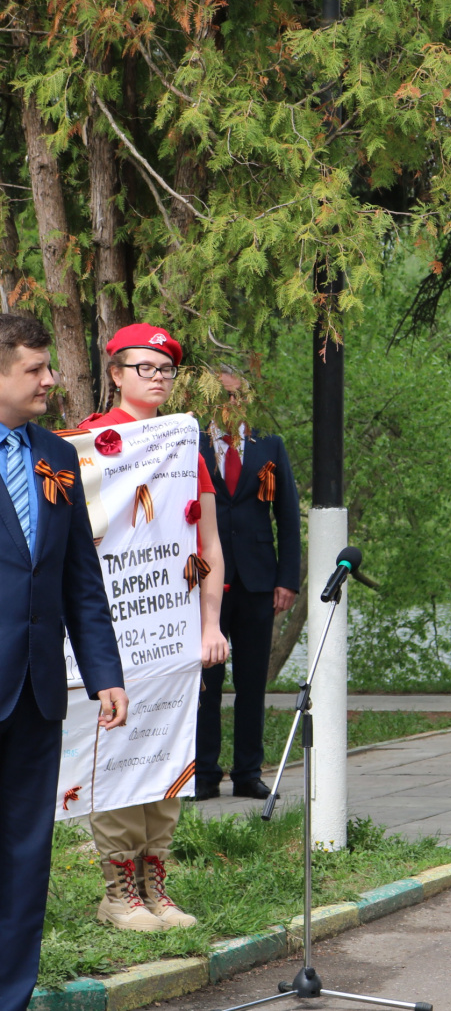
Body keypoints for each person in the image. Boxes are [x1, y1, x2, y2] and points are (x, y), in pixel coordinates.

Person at [80, 323, 228, 930]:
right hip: (111, 626)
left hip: (173, 628)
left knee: (166, 745)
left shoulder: (187, 449)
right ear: (115, 373)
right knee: (116, 745)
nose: (158, 378)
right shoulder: (84, 445)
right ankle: (118, 890)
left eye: (166, 370)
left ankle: (154, 881)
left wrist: (210, 624)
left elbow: (209, 542)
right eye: (145, 368)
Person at [0, 313, 126, 1011]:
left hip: (38, 691)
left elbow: (81, 575)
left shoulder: (57, 456)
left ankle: (9, 996)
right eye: (34, 369)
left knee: (25, 856)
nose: (50, 379)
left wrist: (104, 671)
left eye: (49, 366)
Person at [195, 367, 300, 800]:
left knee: (252, 684)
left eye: (238, 396)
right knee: (206, 687)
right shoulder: (192, 446)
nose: (231, 403)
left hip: (259, 581)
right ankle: (202, 775)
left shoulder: (269, 445)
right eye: (223, 396)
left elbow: (288, 517)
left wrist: (287, 579)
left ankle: (247, 774)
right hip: (205, 585)